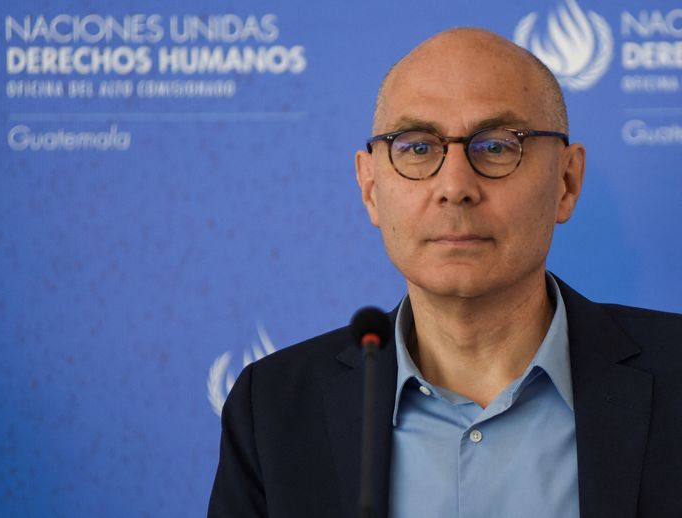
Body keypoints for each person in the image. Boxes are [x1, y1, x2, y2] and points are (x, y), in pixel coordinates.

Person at [208, 27, 682, 518]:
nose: (455, 186)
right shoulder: (272, 409)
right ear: (370, 187)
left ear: (566, 181)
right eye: (416, 148)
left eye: (498, 146)